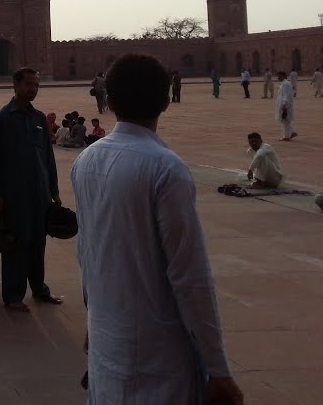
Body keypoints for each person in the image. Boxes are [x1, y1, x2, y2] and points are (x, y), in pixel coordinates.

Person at [70, 53, 243, 404]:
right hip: (158, 355)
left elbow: (87, 253)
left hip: (107, 341)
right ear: (166, 100)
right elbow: (190, 276)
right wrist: (219, 369)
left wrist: (91, 319)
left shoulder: (86, 160)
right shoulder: (164, 167)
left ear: (110, 100)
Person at [0, 67, 62, 312]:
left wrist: (54, 188)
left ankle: (39, 288)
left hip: (39, 192)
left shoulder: (39, 118)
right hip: (14, 193)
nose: (32, 89)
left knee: (38, 242)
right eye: (28, 84)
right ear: (15, 85)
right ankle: (13, 295)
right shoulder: (1, 119)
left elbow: (47, 156)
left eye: (35, 85)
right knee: (17, 244)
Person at [275, 71, 296, 141]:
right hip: (284, 104)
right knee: (284, 120)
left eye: (279, 76)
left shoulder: (285, 84)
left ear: (283, 76)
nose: (278, 77)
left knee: (285, 120)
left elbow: (285, 95)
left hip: (284, 105)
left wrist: (284, 104)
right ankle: (292, 132)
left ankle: (286, 136)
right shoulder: (284, 83)